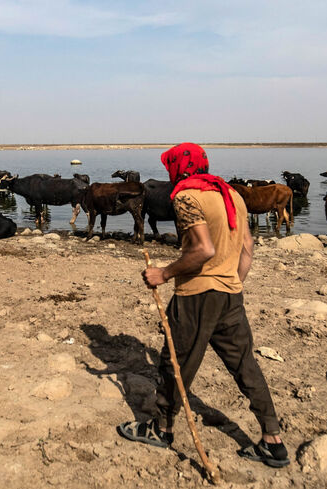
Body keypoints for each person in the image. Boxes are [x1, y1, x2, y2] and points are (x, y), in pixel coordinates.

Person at [117, 142, 289, 468]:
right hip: (230, 293)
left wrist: (164, 273)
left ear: (178, 168)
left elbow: (203, 250)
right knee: (245, 365)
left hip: (196, 295)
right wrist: (232, 284)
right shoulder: (232, 195)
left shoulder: (186, 197)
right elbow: (248, 248)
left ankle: (162, 428)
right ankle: (272, 439)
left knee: (174, 363)